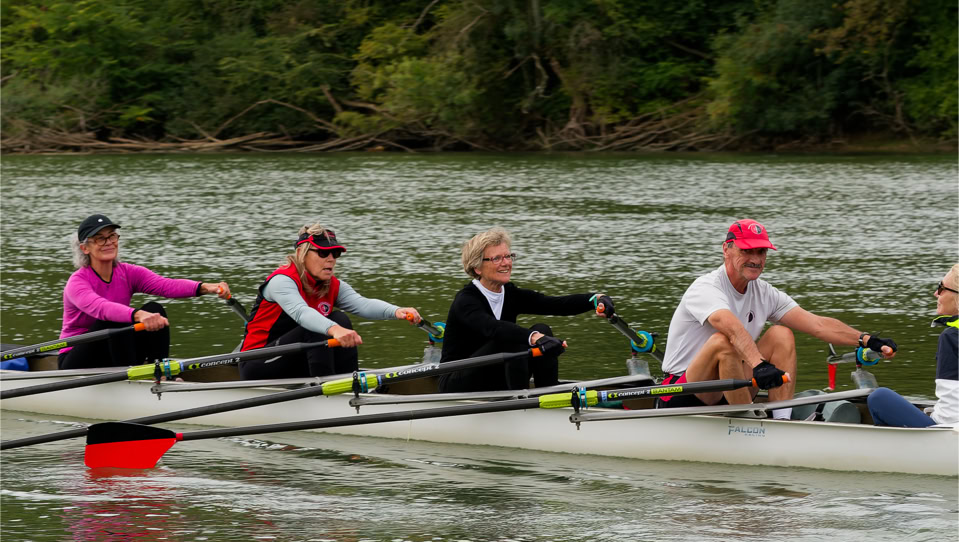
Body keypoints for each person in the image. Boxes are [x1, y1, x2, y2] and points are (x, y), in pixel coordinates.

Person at [658, 219, 898, 418]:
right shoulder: (706, 287)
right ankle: (748, 422)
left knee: (781, 334)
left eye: (761, 251)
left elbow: (817, 325)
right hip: (683, 392)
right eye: (747, 251)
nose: (755, 259)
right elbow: (730, 328)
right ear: (726, 249)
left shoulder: (764, 292)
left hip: (732, 386)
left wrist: (866, 340)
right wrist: (760, 365)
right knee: (723, 341)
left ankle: (780, 420)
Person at [437, 226, 615, 393]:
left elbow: (554, 304)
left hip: (494, 374)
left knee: (542, 329)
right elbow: (493, 328)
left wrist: (595, 299)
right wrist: (534, 338)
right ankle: (521, 402)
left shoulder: (510, 293)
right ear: (477, 267)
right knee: (513, 339)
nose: (506, 263)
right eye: (497, 258)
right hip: (455, 380)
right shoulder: (466, 300)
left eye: (508, 256)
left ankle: (549, 395)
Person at [238, 223, 422, 379]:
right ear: (302, 253)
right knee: (318, 327)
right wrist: (335, 330)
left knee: (340, 318)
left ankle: (348, 382)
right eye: (323, 253)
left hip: (295, 359)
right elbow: (302, 313)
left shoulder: (331, 285)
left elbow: (362, 304)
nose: (331, 259)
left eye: (335, 254)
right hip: (257, 363)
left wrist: (396, 311)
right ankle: (328, 390)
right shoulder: (282, 281)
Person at [60, 214, 232, 369]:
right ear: (85, 248)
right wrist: (138, 315)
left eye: (112, 236)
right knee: (115, 319)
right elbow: (102, 308)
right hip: (76, 358)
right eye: (100, 239)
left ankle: (159, 371)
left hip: (114, 348)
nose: (109, 242)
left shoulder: (128, 273)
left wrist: (206, 287)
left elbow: (166, 285)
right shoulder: (77, 282)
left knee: (155, 309)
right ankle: (132, 378)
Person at [867, 264, 958, 427]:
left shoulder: (952, 337)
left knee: (879, 397)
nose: (936, 293)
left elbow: (952, 415)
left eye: (941, 288)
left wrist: (934, 418)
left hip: (946, 432)